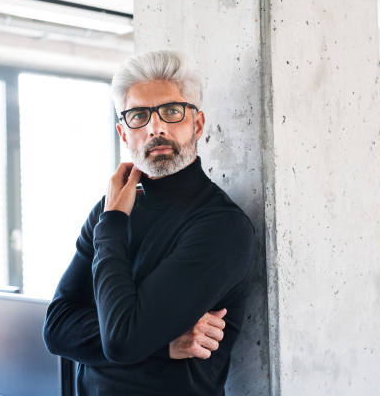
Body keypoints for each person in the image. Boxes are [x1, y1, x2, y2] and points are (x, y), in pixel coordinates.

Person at [43, 50, 256, 396]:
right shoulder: (109, 209)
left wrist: (112, 225)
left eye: (171, 111)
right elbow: (56, 328)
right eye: (139, 116)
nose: (156, 126)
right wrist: (162, 343)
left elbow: (124, 342)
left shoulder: (222, 228)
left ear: (197, 124)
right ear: (124, 134)